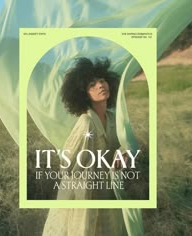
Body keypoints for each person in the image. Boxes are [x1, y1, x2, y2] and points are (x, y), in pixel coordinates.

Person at [42, 57, 128, 236]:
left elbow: (123, 145)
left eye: (102, 80)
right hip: (84, 195)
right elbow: (68, 163)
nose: (100, 85)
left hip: (108, 191)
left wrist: (122, 153)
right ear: (83, 94)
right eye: (92, 84)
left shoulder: (113, 118)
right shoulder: (86, 123)